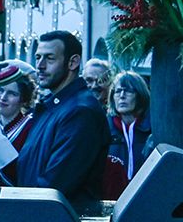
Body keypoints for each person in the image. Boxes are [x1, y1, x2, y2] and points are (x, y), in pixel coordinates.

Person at [12, 32, 110, 209]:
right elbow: (31, 168)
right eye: (38, 57)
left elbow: (56, 183)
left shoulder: (80, 112)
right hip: (36, 215)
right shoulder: (52, 107)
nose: (40, 66)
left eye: (50, 58)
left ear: (73, 62)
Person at [103, 71, 152, 198]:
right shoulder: (104, 129)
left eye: (129, 91)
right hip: (112, 199)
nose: (122, 96)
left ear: (140, 95)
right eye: (118, 91)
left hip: (144, 196)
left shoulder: (152, 130)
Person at [0, 70, 39, 154]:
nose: (3, 97)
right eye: (1, 90)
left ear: (24, 100)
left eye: (12, 93)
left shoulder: (30, 129)